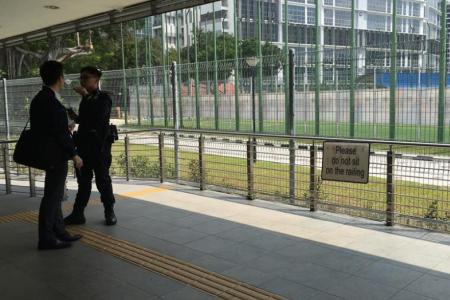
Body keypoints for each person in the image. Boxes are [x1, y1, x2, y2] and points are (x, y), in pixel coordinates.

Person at [30, 60, 83, 250]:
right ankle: (46, 238)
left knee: (55, 193)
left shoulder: (41, 97)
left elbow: (49, 128)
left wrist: (63, 126)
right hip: (55, 155)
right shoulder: (51, 100)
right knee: (52, 197)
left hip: (47, 152)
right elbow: (59, 134)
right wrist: (74, 155)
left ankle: (60, 231)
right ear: (60, 78)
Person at [64, 66, 117, 226]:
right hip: (84, 147)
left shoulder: (104, 98)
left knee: (102, 180)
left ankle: (109, 211)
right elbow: (86, 119)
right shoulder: (86, 98)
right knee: (83, 181)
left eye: (86, 78)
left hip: (99, 148)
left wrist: (85, 96)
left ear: (96, 80)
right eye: (81, 77)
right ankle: (78, 213)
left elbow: (98, 117)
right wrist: (74, 118)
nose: (82, 81)